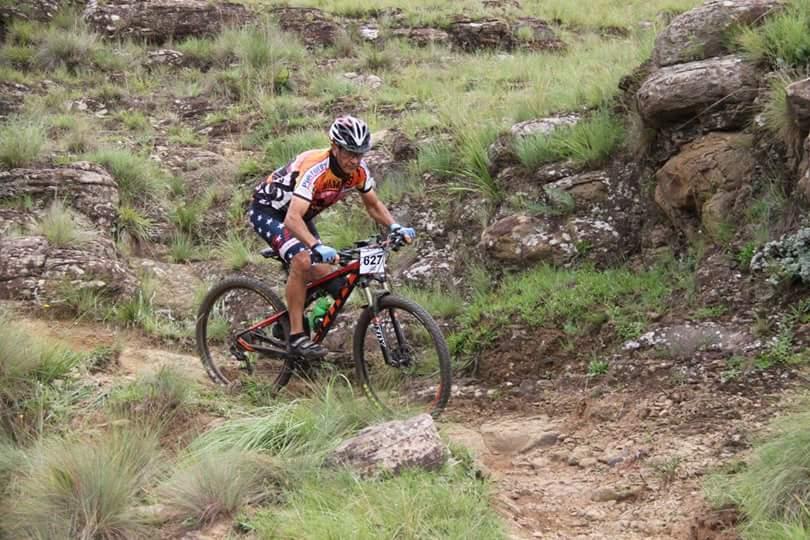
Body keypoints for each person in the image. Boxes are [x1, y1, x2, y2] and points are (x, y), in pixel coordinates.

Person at [249, 115, 416, 359]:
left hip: (301, 216)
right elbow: (292, 219)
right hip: (271, 211)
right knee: (303, 260)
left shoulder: (357, 171)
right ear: (335, 147)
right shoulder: (316, 168)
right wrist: (316, 245)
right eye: (349, 152)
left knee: (336, 282)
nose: (355, 160)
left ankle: (290, 320)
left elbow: (372, 204)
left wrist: (394, 227)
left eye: (360, 153)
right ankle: (296, 336)